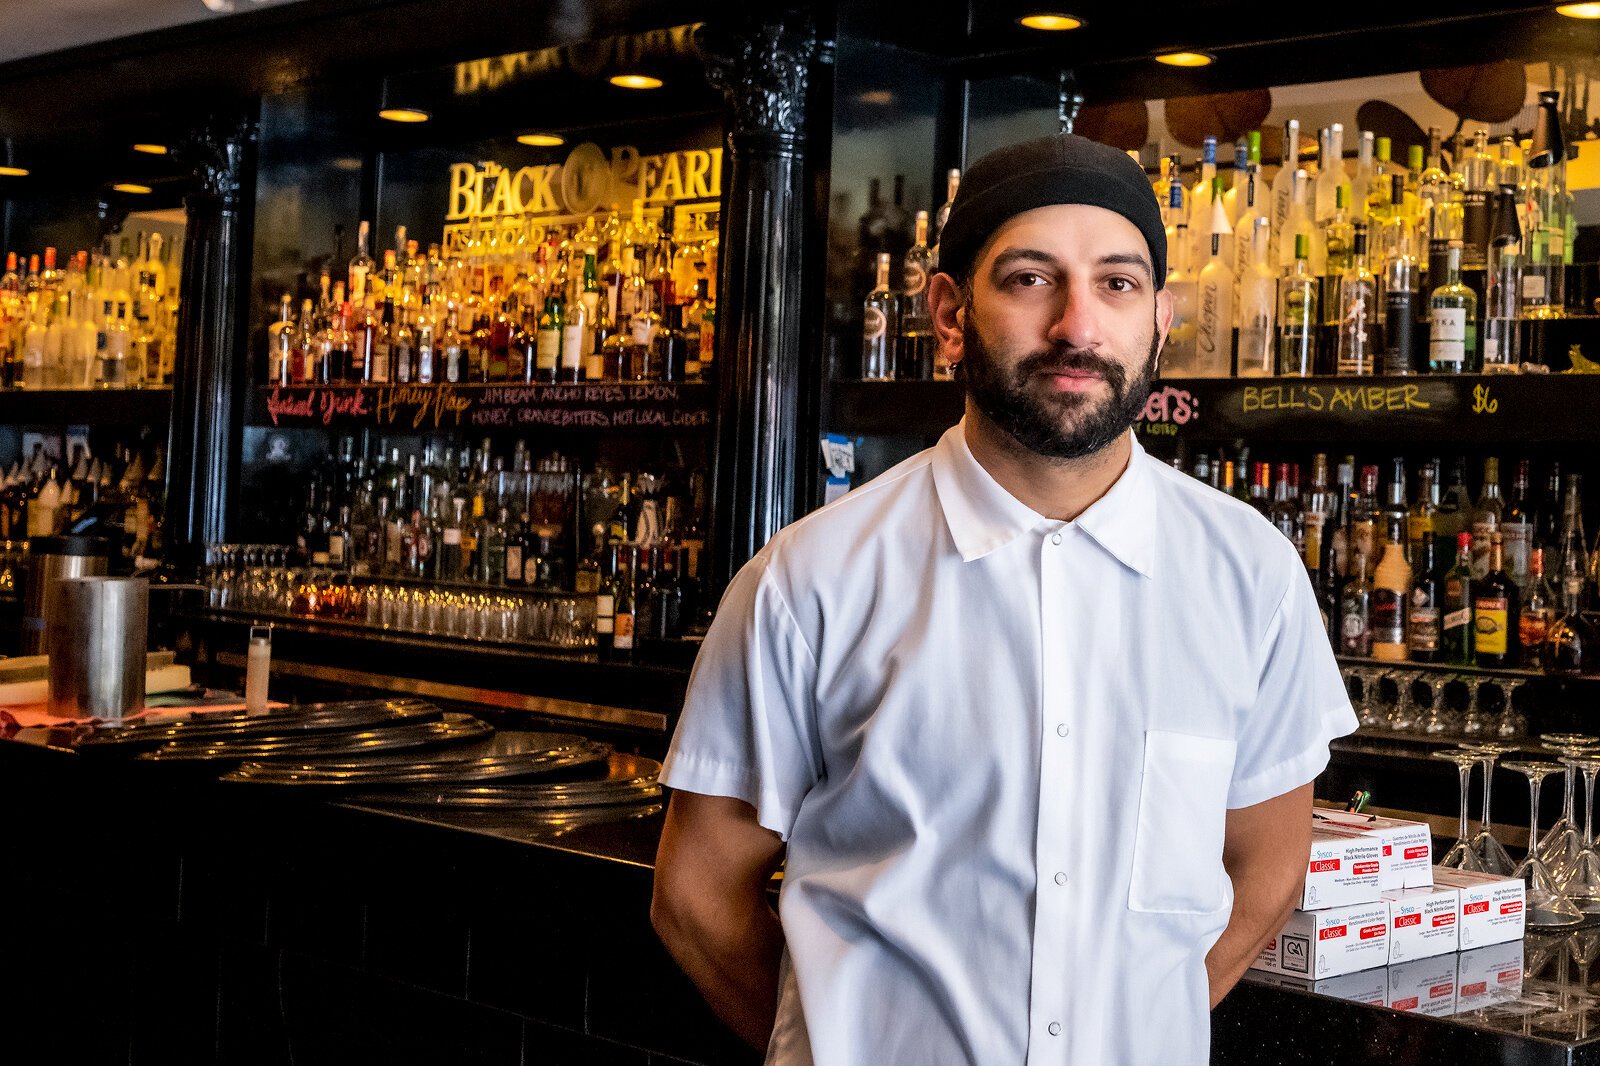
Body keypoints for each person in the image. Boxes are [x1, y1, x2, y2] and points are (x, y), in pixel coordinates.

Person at [651, 132, 1357, 1065]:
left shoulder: (1249, 575)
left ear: (1158, 319)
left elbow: (1266, 870)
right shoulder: (810, 580)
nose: (1077, 326)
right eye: (1030, 279)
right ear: (948, 313)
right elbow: (697, 898)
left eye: (1117, 283)